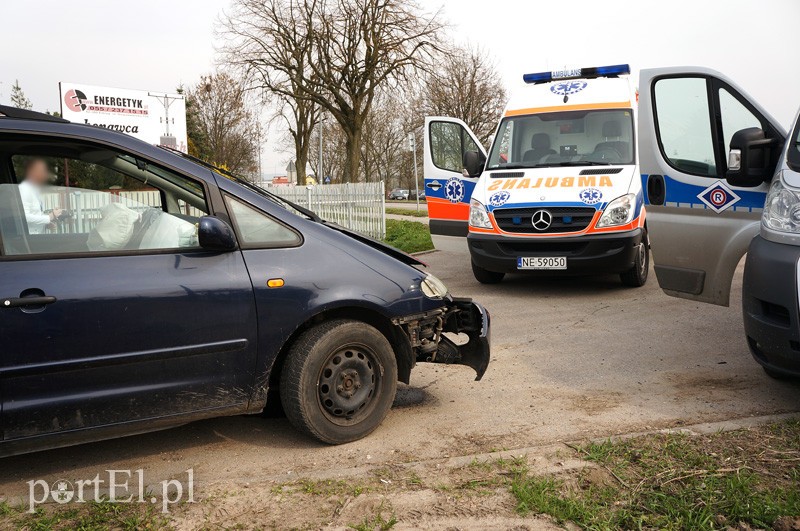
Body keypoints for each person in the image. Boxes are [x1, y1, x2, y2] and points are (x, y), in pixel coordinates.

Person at [18, 158, 61, 234]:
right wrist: (50, 216)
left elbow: (36, 214)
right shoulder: (25, 190)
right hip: (29, 238)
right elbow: (24, 217)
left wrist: (45, 225)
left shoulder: (35, 189)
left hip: (37, 236)